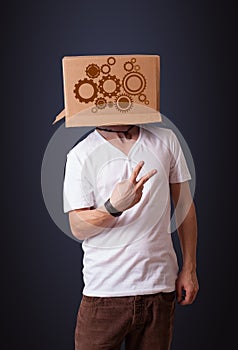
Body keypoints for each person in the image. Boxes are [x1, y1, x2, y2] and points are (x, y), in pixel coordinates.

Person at [63, 123, 199, 350]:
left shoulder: (165, 139)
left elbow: (185, 206)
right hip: (105, 293)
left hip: (159, 290)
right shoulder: (81, 154)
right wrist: (114, 206)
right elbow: (78, 226)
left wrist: (190, 268)